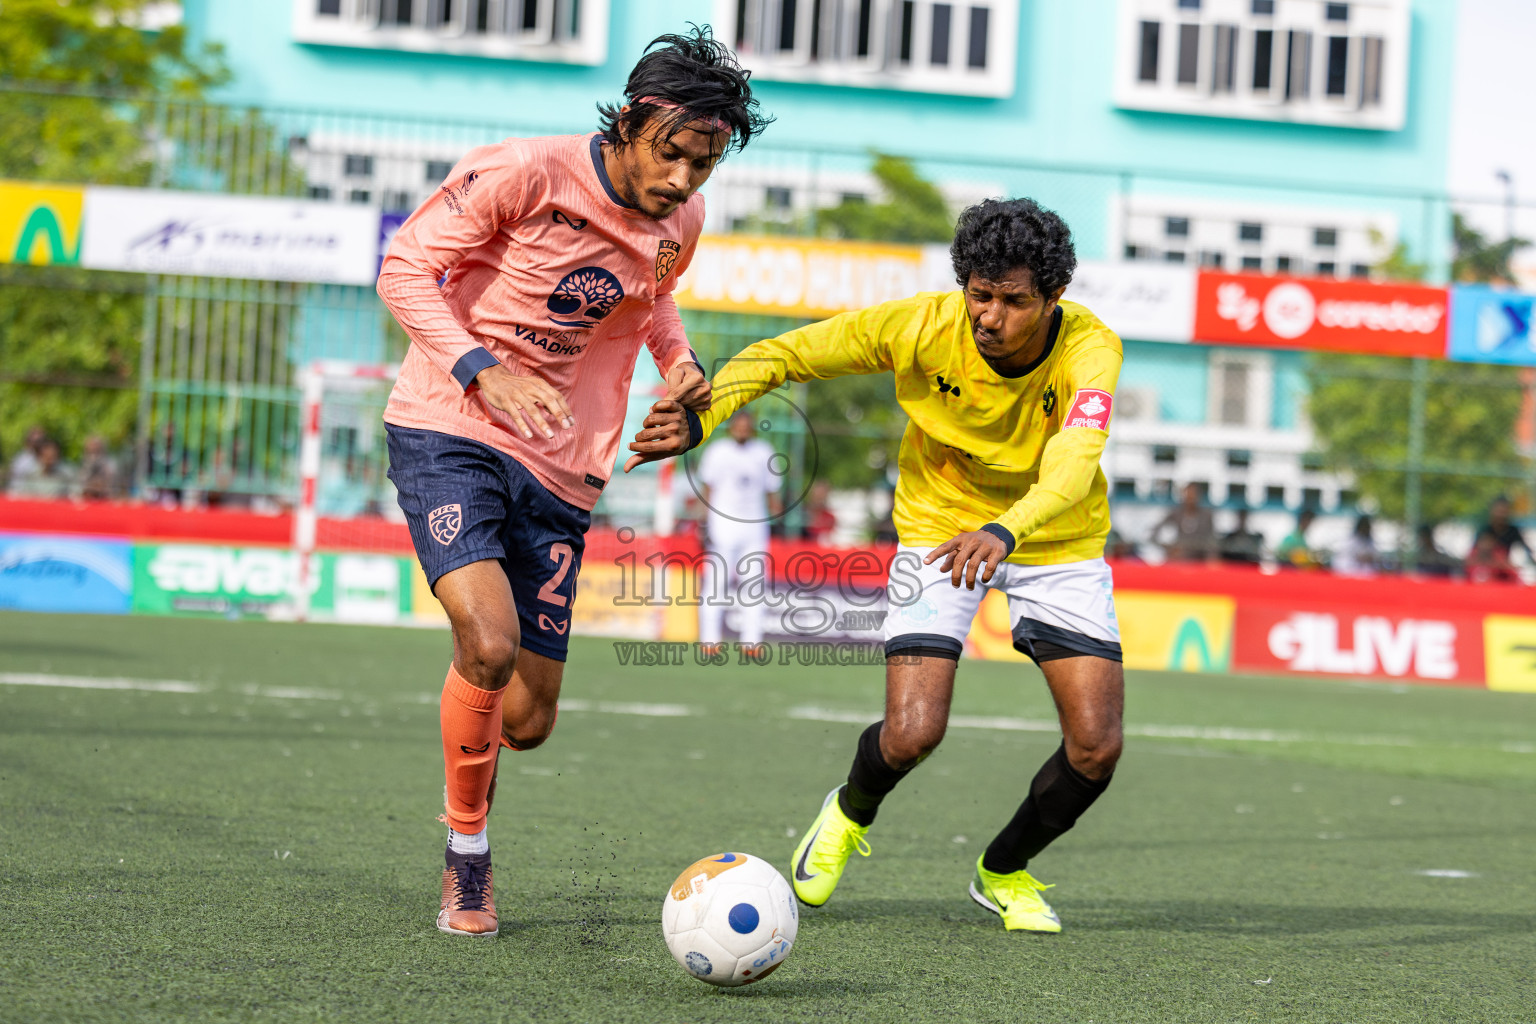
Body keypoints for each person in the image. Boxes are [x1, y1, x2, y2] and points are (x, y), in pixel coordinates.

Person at [627, 198, 1124, 933]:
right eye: (979, 294)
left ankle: (1005, 870)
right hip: (937, 528)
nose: (989, 315)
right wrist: (703, 414)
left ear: (1053, 298)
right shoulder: (919, 326)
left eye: (1014, 301)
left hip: (1053, 537)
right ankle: (850, 812)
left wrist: (1006, 529)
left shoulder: (1091, 348)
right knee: (912, 734)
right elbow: (782, 355)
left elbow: (1076, 463)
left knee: (1096, 748)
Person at [375, 26, 768, 938]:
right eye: (671, 154)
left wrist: (680, 372)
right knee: (488, 643)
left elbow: (653, 297)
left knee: (529, 718)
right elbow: (404, 267)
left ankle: (469, 720)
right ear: (631, 122)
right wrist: (480, 366)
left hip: (562, 462)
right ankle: (466, 861)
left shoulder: (684, 220)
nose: (681, 181)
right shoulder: (522, 172)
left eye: (703, 166)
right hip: (452, 423)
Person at [695, 410, 783, 652]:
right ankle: (710, 639)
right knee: (716, 583)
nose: (742, 430)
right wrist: (703, 522)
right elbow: (707, 490)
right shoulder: (718, 451)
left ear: (752, 428)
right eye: (739, 426)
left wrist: (779, 515)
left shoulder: (764, 452)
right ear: (732, 427)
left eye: (747, 426)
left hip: (755, 525)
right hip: (723, 525)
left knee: (754, 585)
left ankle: (751, 641)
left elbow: (772, 491)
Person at [1151, 483, 1216, 562]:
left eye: (1193, 495)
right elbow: (1155, 530)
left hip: (1199, 557)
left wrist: (1211, 557)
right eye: (1188, 495)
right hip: (1178, 557)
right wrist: (1168, 548)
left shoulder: (1206, 515)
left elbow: (1212, 539)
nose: (1191, 498)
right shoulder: (1176, 513)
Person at [8, 438, 76, 499]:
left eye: (53, 457)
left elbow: (73, 495)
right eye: (47, 457)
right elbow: (22, 496)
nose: (50, 461)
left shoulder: (65, 477)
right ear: (39, 456)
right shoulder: (31, 476)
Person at [1475, 497, 1529, 567]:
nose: (1500, 515)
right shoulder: (1484, 530)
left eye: (1504, 511)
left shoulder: (1514, 532)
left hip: (1509, 571)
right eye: (1498, 511)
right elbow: (1473, 556)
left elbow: (1525, 553)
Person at [77, 436, 120, 500]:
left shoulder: (110, 464)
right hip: (87, 498)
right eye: (91, 446)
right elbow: (80, 482)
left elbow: (111, 482)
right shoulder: (83, 463)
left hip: (105, 498)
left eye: (96, 446)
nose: (93, 448)